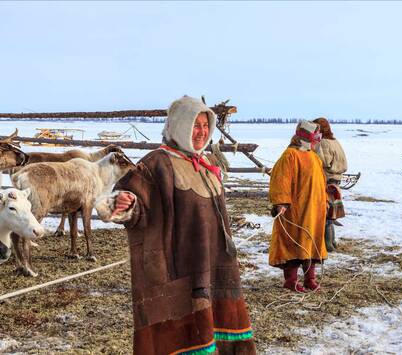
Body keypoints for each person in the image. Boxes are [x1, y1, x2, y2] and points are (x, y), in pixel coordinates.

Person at [95, 96, 256, 355]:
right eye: (195, 125)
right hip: (181, 269)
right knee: (186, 335)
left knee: (217, 327)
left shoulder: (207, 165)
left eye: (206, 125)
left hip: (215, 264)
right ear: (179, 126)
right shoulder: (157, 163)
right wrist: (125, 203)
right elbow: (135, 201)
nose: (201, 132)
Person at [268, 120, 328, 292]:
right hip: (295, 211)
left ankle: (310, 279)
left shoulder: (314, 157)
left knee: (312, 243)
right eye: (316, 137)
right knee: (293, 243)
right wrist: (281, 202)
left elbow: (320, 182)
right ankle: (291, 280)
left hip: (314, 210)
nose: (318, 140)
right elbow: (281, 181)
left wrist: (326, 199)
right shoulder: (290, 155)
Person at [312, 117, 348, 252]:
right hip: (335, 181)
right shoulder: (335, 141)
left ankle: (327, 244)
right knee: (329, 214)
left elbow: (323, 162)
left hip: (327, 181)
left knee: (325, 214)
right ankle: (331, 242)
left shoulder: (324, 143)